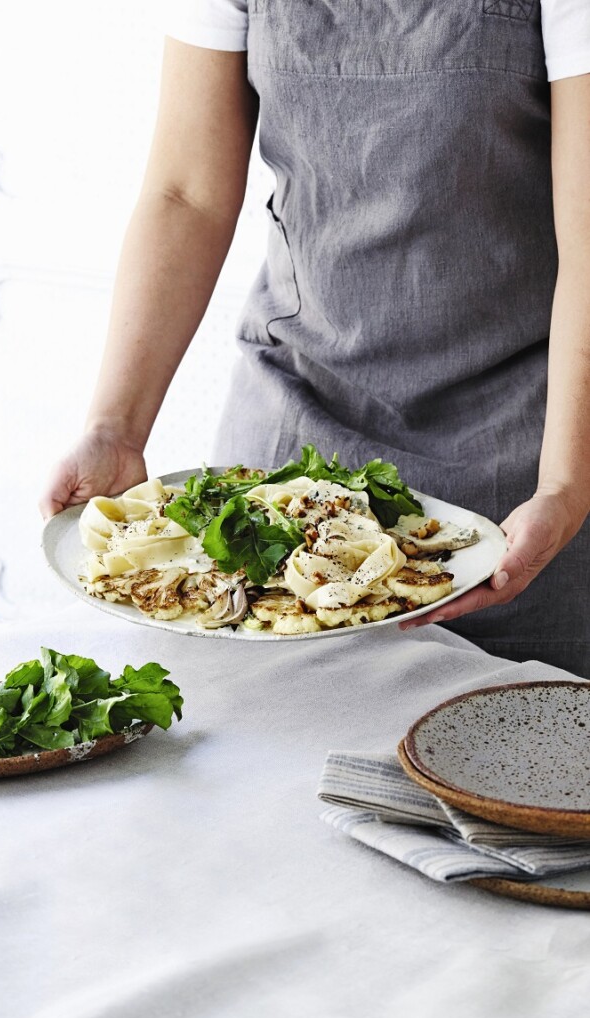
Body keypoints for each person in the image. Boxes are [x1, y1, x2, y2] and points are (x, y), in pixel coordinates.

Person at [40, 1, 590, 676]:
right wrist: (115, 427)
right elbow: (186, 194)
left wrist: (564, 487)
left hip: (523, 450)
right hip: (287, 440)